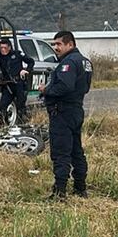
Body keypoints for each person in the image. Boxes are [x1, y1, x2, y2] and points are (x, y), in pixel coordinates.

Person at [39, 31, 93, 199]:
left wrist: (46, 90)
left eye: (59, 44)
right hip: (76, 110)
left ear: (70, 44)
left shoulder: (69, 63)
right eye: (54, 44)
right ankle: (80, 187)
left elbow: (64, 87)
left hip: (62, 112)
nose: (56, 48)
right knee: (76, 150)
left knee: (61, 152)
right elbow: (85, 87)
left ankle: (59, 191)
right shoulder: (85, 62)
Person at [0, 37, 36, 125]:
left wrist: (27, 70)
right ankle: (3, 126)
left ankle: (21, 125)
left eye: (5, 48)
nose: (3, 50)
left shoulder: (17, 54)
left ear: (9, 47)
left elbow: (31, 61)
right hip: (8, 86)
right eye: (1, 48)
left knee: (20, 107)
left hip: (19, 84)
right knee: (2, 107)